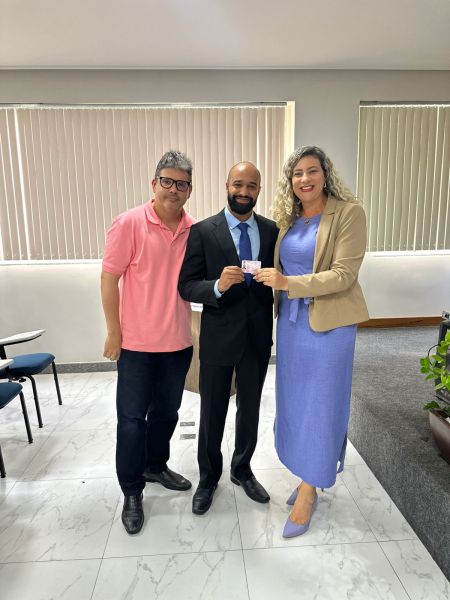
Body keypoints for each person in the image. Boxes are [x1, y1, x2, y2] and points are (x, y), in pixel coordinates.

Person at [254, 146, 369, 538]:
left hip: (330, 326)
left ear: (325, 174)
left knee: (322, 404)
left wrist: (289, 282)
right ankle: (306, 473)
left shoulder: (349, 213)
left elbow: (344, 274)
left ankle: (309, 489)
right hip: (291, 325)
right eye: (297, 173)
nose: (304, 179)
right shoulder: (290, 219)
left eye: (312, 171)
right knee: (296, 403)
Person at [101, 150, 195, 535]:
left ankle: (156, 466)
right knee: (131, 421)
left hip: (178, 343)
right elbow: (109, 279)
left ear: (189, 190)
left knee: (167, 414)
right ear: (154, 184)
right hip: (137, 347)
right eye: (167, 181)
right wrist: (114, 332)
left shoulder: (194, 230)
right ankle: (131, 490)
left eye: (182, 184)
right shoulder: (129, 223)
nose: (174, 189)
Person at [178, 161, 278, 515]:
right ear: (226, 185)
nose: (244, 192)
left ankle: (242, 469)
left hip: (257, 338)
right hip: (218, 337)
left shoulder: (271, 230)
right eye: (238, 184)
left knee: (249, 409)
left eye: (251, 186)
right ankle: (208, 478)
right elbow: (186, 286)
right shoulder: (203, 231)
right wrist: (218, 286)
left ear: (259, 190)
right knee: (213, 411)